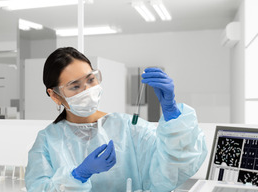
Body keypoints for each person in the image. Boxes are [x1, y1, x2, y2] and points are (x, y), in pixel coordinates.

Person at [25, 47, 207, 192]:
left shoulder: (128, 127)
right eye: (75, 86)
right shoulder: (47, 142)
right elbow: (39, 188)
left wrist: (171, 112)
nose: (87, 90)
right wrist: (78, 175)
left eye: (90, 80)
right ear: (55, 95)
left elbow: (172, 170)